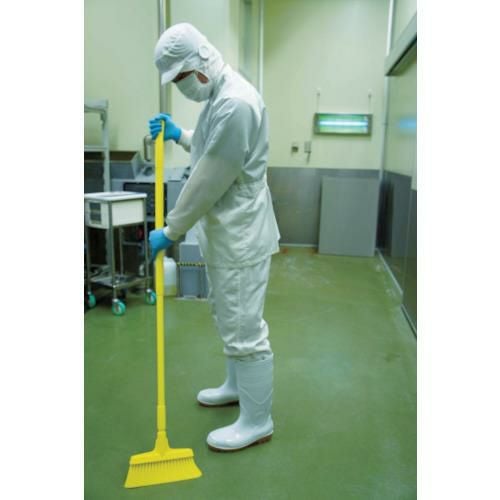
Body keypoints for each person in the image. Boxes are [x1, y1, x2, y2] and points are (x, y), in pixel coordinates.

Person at [148, 22, 280, 452]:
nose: (182, 88)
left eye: (181, 79)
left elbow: (209, 178)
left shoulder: (235, 102)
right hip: (228, 232)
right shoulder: (219, 95)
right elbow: (213, 147)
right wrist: (180, 135)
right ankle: (236, 387)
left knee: (243, 325)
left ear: (200, 63)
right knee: (228, 314)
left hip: (240, 234)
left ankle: (257, 421)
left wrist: (171, 229)